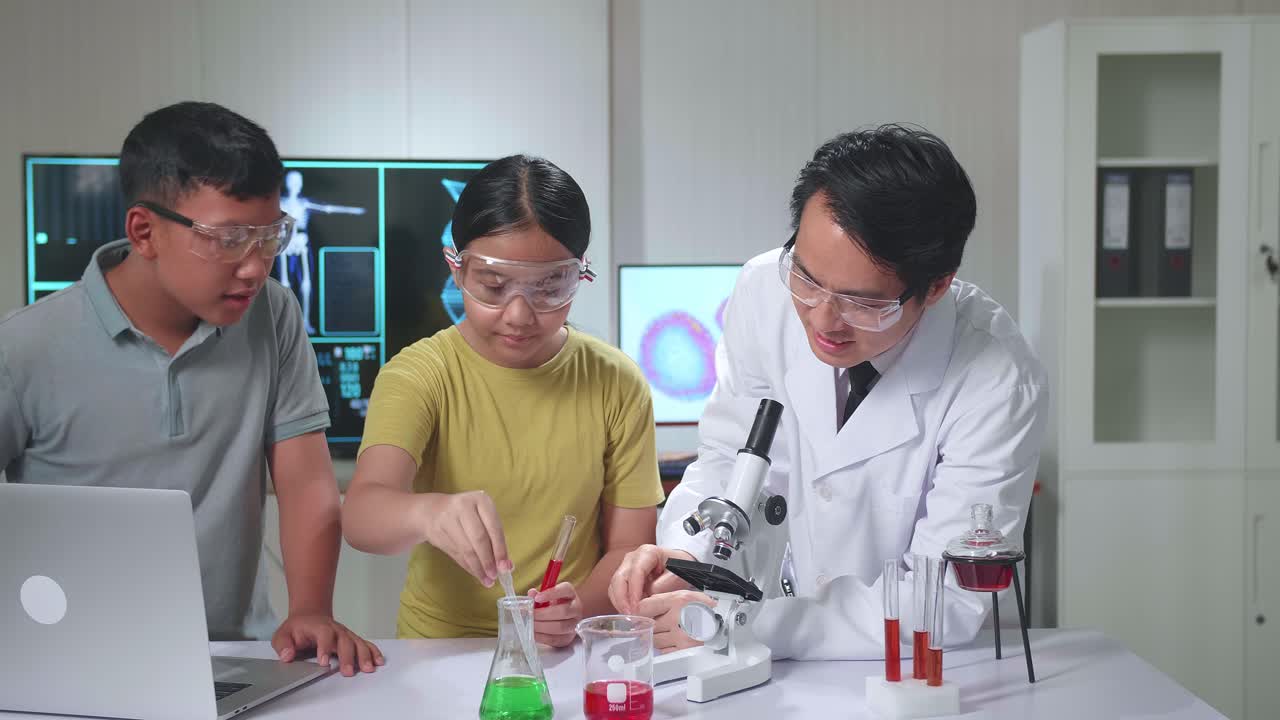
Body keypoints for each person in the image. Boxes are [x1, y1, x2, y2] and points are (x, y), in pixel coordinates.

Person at [608, 124, 1049, 659]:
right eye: (807, 278)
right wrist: (684, 560)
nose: (823, 319)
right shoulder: (762, 290)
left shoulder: (997, 376)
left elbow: (947, 597)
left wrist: (749, 626)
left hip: (921, 663)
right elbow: (730, 458)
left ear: (935, 286)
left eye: (863, 303)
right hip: (774, 654)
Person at [0, 102, 382, 676]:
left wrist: (310, 609)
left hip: (235, 659)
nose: (256, 267)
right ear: (144, 231)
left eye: (269, 236)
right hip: (67, 660)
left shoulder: (272, 316)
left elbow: (304, 480)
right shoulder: (23, 348)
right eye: (228, 239)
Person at [342, 154, 665, 645]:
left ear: (580, 277)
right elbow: (362, 515)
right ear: (457, 271)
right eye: (493, 286)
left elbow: (629, 547)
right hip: (439, 649)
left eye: (548, 288)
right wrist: (426, 514)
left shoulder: (615, 382)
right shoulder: (420, 375)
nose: (519, 314)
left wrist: (579, 607)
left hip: (566, 648)